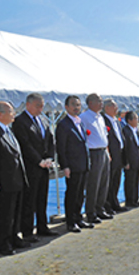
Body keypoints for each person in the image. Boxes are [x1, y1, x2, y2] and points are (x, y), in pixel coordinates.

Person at [0, 102, 29, 255]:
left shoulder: (7, 130)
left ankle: (15, 237)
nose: (13, 114)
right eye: (11, 112)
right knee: (4, 214)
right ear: (1, 114)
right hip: (5, 181)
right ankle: (4, 244)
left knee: (15, 212)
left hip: (16, 179)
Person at [12, 93, 58, 242]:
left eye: (42, 106)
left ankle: (42, 227)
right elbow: (25, 145)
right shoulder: (20, 121)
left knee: (42, 198)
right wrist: (38, 160)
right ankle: (27, 231)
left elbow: (50, 140)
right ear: (28, 105)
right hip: (31, 167)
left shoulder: (42, 120)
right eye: (38, 106)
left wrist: (50, 158)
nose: (40, 109)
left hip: (44, 166)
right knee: (29, 200)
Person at [56, 96, 93, 233]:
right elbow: (61, 147)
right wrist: (65, 166)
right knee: (72, 193)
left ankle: (78, 218)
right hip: (72, 165)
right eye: (73, 105)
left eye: (78, 105)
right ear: (66, 107)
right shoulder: (63, 125)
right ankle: (71, 222)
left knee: (80, 194)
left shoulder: (80, 122)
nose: (76, 107)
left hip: (83, 164)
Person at [80, 93, 111, 224]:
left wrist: (108, 152)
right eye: (99, 101)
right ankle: (91, 212)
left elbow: (104, 135)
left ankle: (100, 208)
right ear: (91, 103)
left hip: (103, 151)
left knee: (104, 182)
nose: (102, 103)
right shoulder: (84, 117)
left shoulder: (100, 118)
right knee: (94, 183)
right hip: (93, 152)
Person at [102, 99, 127, 214]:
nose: (116, 109)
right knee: (109, 181)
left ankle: (115, 202)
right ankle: (107, 205)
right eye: (114, 106)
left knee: (116, 180)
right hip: (110, 155)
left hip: (119, 154)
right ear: (107, 108)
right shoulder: (103, 120)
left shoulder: (116, 121)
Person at [122, 112, 139, 207]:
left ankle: (135, 199)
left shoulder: (136, 130)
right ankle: (129, 200)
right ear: (129, 120)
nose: (137, 121)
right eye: (135, 118)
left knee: (136, 180)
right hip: (130, 160)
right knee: (130, 181)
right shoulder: (125, 131)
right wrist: (126, 162)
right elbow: (125, 148)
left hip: (137, 159)